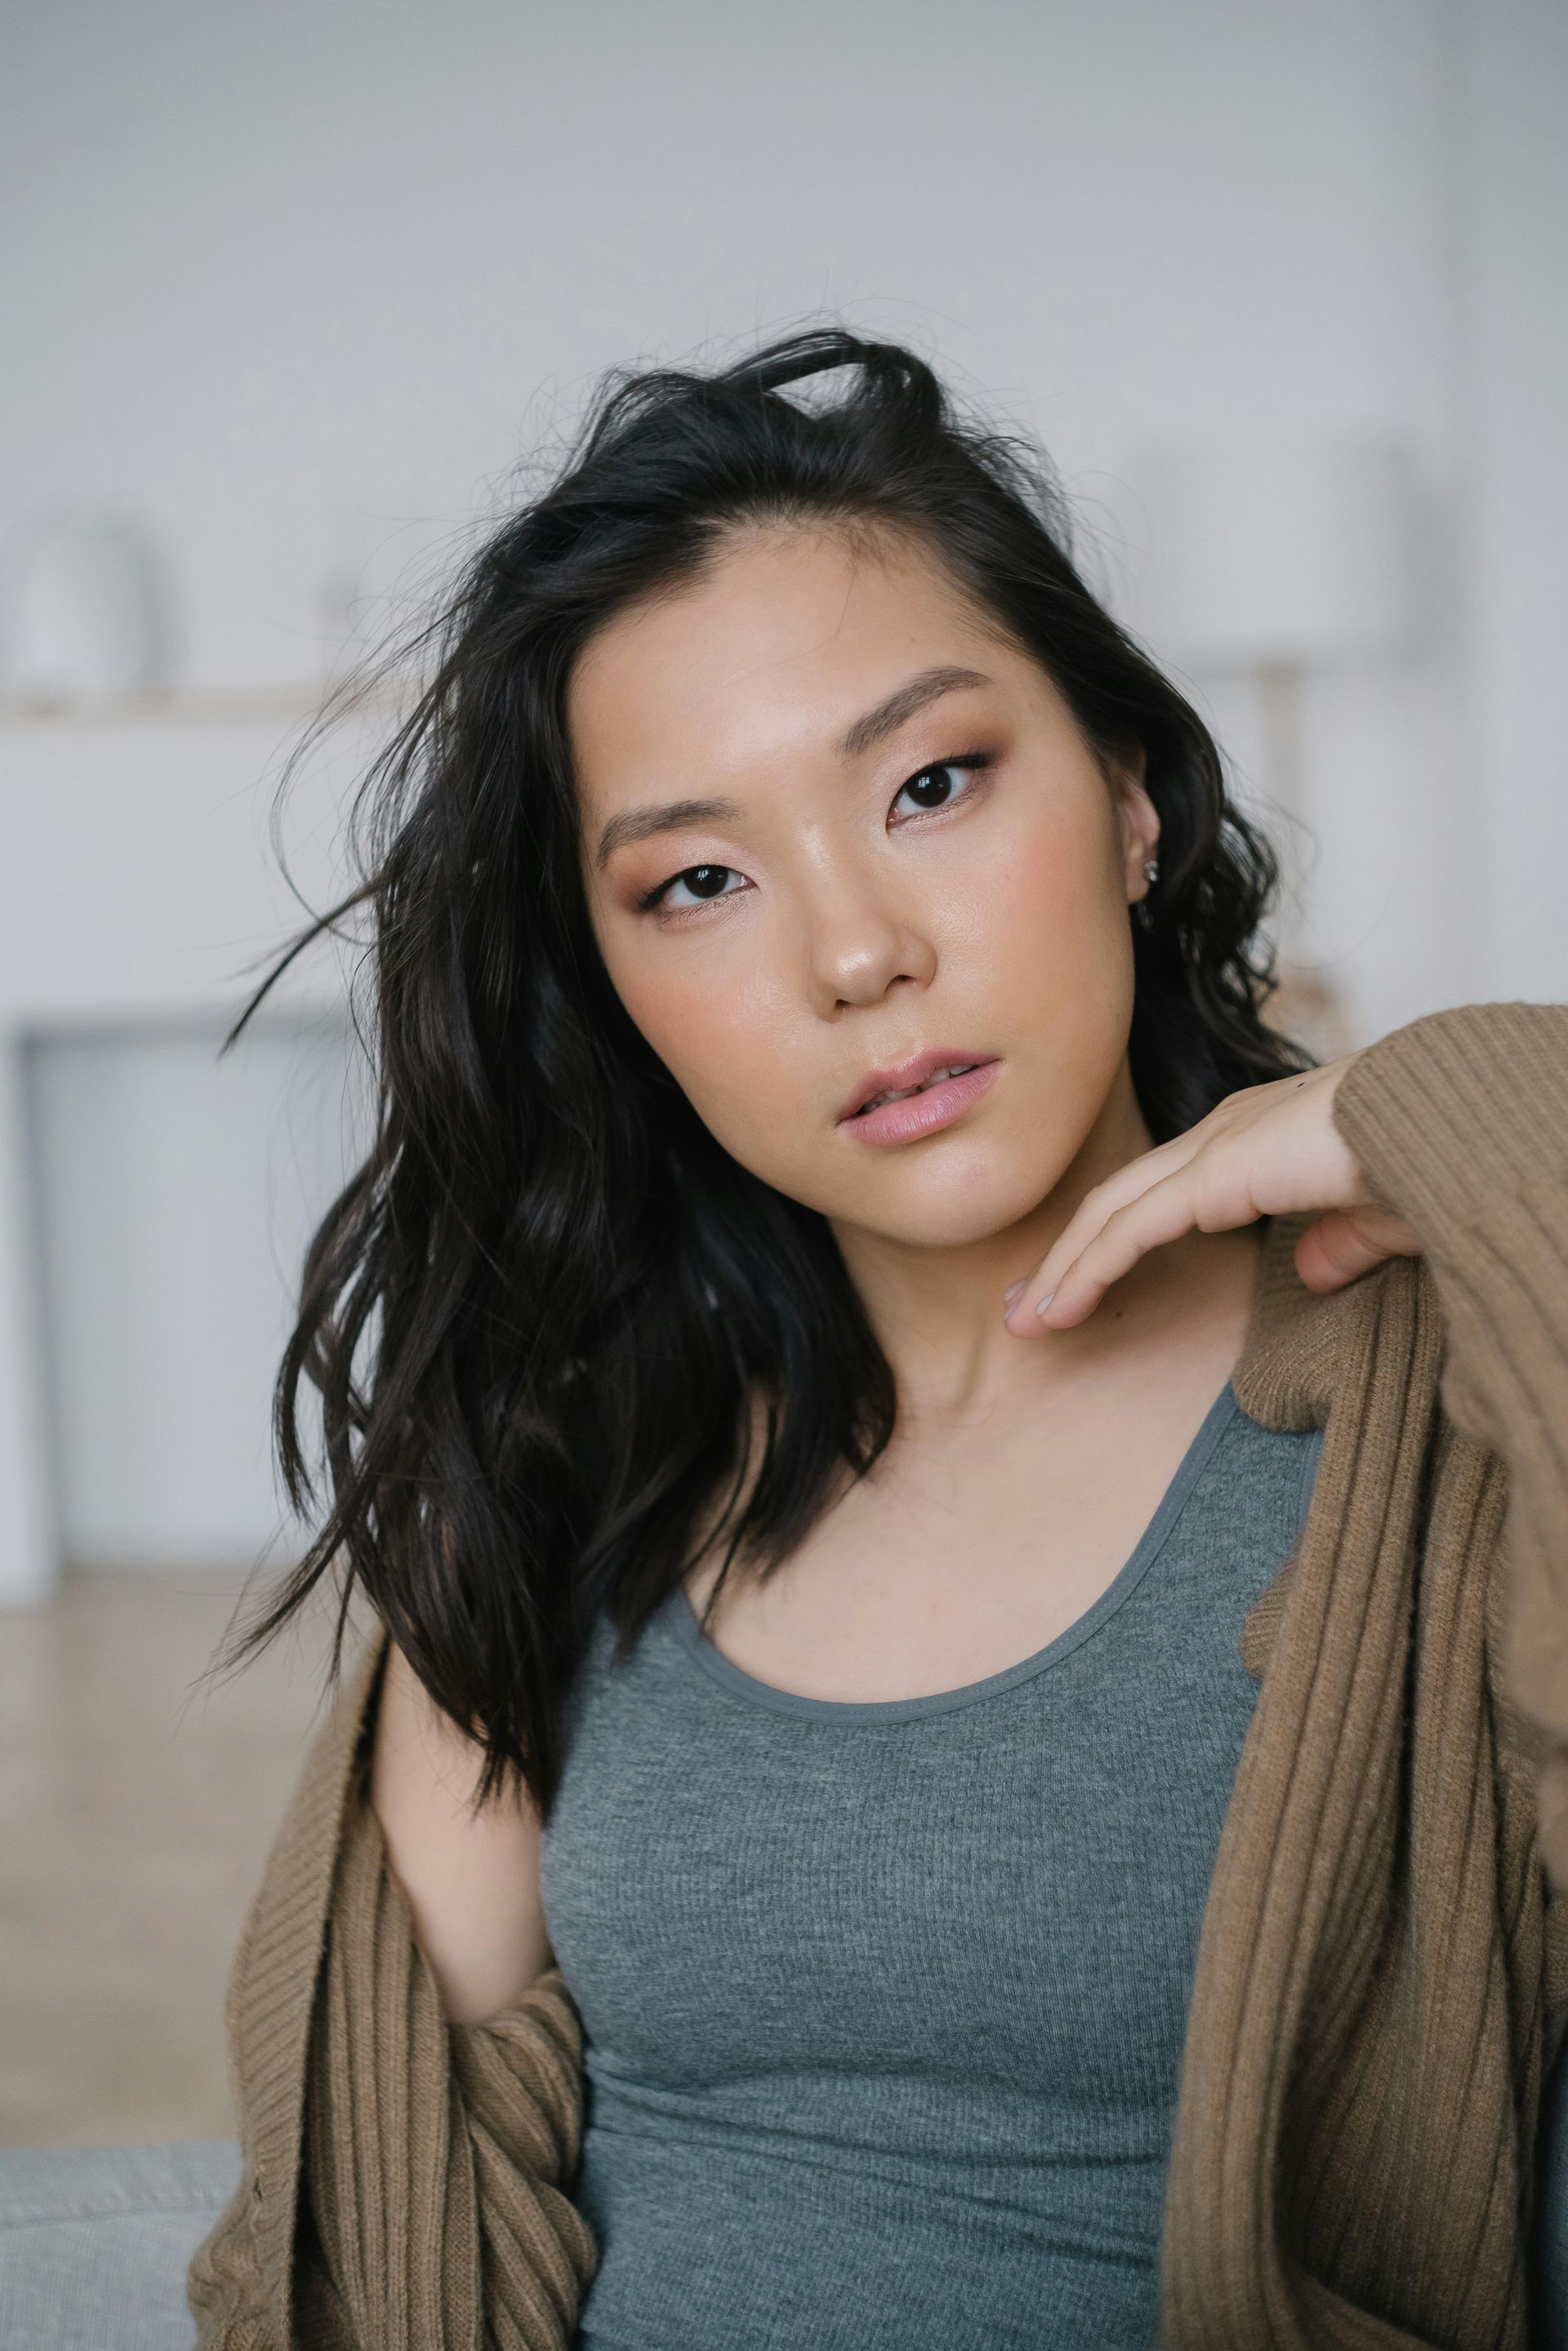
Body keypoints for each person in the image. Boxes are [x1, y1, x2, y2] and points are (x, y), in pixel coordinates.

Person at [188, 329, 1568, 2350]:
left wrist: (1464, 1109)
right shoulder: (588, 1460)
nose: (855, 953)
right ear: (618, 991)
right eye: (700, 881)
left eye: (932, 782)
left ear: (1126, 796)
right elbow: (386, 2222)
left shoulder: (1438, 1400)